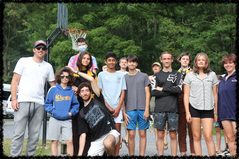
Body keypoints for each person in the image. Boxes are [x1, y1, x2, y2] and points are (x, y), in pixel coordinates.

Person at [10, 40, 56, 157]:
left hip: (39, 104)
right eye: (38, 48)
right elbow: (15, 81)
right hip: (23, 102)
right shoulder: (23, 61)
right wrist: (14, 99)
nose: (41, 50)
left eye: (43, 48)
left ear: (46, 51)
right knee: (18, 134)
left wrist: (68, 89)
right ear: (34, 49)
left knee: (34, 136)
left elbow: (54, 85)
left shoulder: (48, 66)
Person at [184, 52, 219, 156]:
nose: (201, 61)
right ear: (195, 62)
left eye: (203, 60)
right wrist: (187, 112)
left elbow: (215, 95)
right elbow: (186, 95)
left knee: (208, 136)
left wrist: (215, 112)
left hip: (208, 109)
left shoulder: (212, 75)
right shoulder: (189, 75)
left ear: (206, 62)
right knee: (196, 136)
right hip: (194, 108)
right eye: (199, 60)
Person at [77, 77, 120, 156]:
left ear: (90, 92)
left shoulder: (97, 99)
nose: (85, 93)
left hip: (110, 132)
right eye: (82, 91)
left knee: (107, 143)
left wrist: (77, 72)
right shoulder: (82, 113)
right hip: (97, 140)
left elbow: (92, 80)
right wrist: (79, 155)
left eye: (87, 90)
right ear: (79, 94)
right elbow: (83, 135)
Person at [151, 51, 182, 156]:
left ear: (172, 60)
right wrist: (170, 90)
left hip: (173, 109)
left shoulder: (177, 74)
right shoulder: (156, 75)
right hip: (159, 109)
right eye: (164, 59)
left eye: (168, 58)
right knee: (160, 135)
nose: (167, 60)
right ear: (161, 60)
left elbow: (178, 89)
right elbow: (153, 91)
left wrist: (162, 89)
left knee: (173, 135)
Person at [67, 51, 97, 156]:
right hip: (75, 106)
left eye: (88, 59)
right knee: (75, 131)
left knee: (88, 132)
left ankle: (87, 153)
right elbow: (64, 85)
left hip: (88, 106)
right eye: (84, 58)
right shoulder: (72, 74)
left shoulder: (92, 74)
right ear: (80, 59)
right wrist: (72, 87)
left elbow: (95, 91)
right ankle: (75, 154)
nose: (86, 60)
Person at [45, 67, 79, 156]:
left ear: (70, 78)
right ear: (59, 77)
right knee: (54, 141)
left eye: (67, 77)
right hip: (54, 119)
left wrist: (71, 113)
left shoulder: (72, 91)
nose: (64, 78)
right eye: (62, 76)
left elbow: (76, 105)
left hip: (67, 119)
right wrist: (53, 112)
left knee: (69, 141)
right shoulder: (53, 89)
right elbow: (47, 104)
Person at [97, 52, 126, 156]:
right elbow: (100, 92)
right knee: (105, 132)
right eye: (109, 60)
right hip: (105, 108)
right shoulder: (101, 75)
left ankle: (116, 155)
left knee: (117, 133)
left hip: (117, 108)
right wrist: (107, 106)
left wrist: (118, 108)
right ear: (106, 62)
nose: (111, 62)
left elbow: (123, 92)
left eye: (113, 60)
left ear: (116, 62)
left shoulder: (121, 75)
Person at [123, 55, 151, 156]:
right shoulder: (124, 77)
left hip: (143, 108)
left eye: (134, 62)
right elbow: (121, 96)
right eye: (130, 62)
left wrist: (147, 110)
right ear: (127, 63)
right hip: (129, 108)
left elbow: (148, 93)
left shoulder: (144, 76)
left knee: (142, 133)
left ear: (137, 64)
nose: (132, 64)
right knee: (131, 134)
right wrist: (123, 112)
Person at [217, 54, 237, 157]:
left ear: (235, 63)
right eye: (225, 63)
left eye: (230, 62)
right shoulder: (222, 79)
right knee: (230, 138)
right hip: (224, 114)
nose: (227, 65)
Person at [176, 52, 195, 156]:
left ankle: (193, 152)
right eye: (183, 59)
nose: (185, 61)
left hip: (191, 102)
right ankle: (183, 152)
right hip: (179, 102)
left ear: (189, 61)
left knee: (192, 130)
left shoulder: (193, 72)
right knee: (181, 128)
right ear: (179, 60)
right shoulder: (175, 73)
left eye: (187, 59)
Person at [149, 62, 169, 151]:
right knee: (156, 121)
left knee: (165, 121)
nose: (155, 67)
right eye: (154, 66)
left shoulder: (164, 76)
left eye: (157, 66)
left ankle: (164, 139)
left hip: (164, 100)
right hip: (154, 99)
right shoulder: (150, 77)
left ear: (160, 68)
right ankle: (158, 140)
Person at [117, 57, 128, 148]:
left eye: (125, 62)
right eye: (122, 62)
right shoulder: (116, 73)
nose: (124, 63)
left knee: (126, 118)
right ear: (119, 64)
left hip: (128, 97)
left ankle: (127, 137)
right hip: (118, 97)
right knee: (118, 119)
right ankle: (119, 139)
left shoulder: (129, 73)